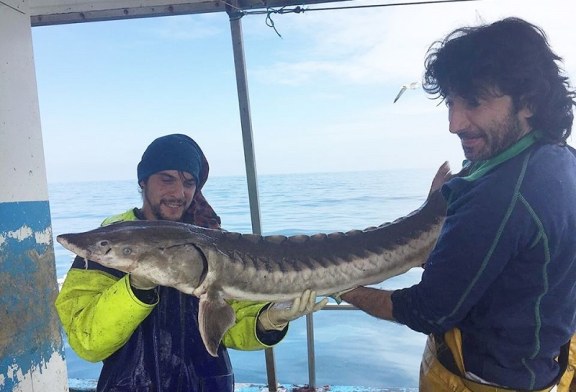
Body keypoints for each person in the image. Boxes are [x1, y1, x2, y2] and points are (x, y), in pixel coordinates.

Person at [339, 17, 576, 391]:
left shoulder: (500, 197)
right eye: (451, 102)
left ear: (528, 102)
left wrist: (342, 289)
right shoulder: (559, 159)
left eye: (474, 102)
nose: (454, 123)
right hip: (545, 366)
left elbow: (428, 310)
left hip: (481, 381)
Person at [55, 133, 327, 392]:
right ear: (143, 181)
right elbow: (87, 342)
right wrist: (136, 288)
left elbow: (230, 332)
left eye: (188, 183)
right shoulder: (108, 244)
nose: (178, 192)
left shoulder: (212, 241)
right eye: (167, 178)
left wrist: (268, 321)